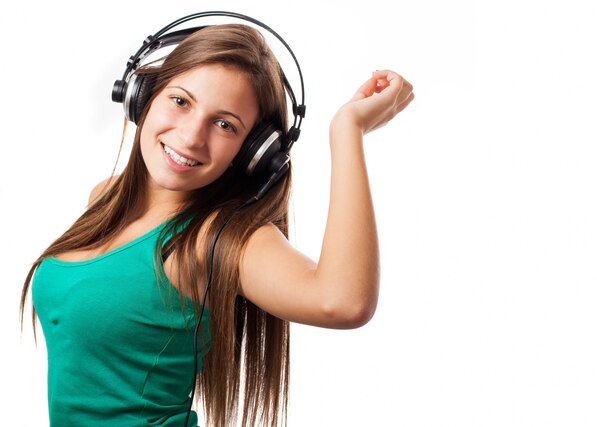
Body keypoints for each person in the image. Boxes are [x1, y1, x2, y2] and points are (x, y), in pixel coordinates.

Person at [19, 12, 414, 427]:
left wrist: (346, 130)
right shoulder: (104, 198)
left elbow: (345, 301)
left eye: (225, 124)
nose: (191, 136)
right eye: (180, 101)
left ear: (252, 154)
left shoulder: (217, 238)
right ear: (142, 94)